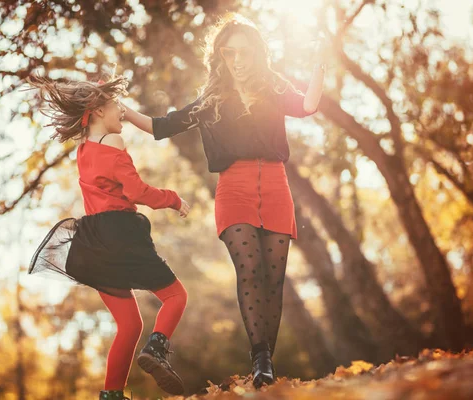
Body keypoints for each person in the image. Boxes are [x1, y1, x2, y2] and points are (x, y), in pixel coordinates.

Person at [122, 13, 326, 388]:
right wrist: (123, 111)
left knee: (273, 279)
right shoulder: (212, 100)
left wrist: (321, 63)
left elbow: (307, 106)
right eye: (229, 53)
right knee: (250, 269)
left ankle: (266, 364)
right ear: (221, 57)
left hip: (277, 188)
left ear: (257, 54)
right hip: (234, 190)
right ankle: (259, 356)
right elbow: (161, 125)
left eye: (244, 52)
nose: (238, 60)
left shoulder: (273, 88)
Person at [27, 75, 191, 399]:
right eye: (117, 105)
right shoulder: (112, 143)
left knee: (129, 325)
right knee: (176, 297)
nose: (124, 112)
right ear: (98, 110)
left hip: (92, 244)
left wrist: (119, 110)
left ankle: (111, 395)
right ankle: (157, 351)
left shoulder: (82, 150)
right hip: (121, 233)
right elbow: (136, 190)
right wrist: (173, 199)